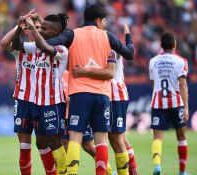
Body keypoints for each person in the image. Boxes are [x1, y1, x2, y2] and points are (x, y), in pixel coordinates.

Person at [34, 3, 134, 175]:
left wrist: (35, 30)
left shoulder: (72, 34)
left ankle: (71, 173)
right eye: (103, 20)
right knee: (101, 140)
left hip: (79, 95)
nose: (104, 23)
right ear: (98, 20)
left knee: (74, 137)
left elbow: (46, 44)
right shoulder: (108, 37)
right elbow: (129, 53)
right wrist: (128, 36)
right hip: (102, 96)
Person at [0, 10, 57, 175]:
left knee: (43, 145)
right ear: (26, 30)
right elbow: (4, 43)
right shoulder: (21, 49)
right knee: (24, 146)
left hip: (42, 102)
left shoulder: (48, 48)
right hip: (23, 101)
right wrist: (19, 25)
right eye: (33, 27)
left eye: (39, 28)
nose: (36, 30)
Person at [13, 13, 69, 175]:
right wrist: (19, 28)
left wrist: (33, 27)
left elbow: (45, 47)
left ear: (56, 32)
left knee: (55, 142)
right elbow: (17, 45)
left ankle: (64, 173)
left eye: (45, 28)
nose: (42, 30)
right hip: (37, 103)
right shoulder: (36, 47)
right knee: (40, 142)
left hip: (53, 103)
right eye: (41, 28)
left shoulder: (61, 49)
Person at [62, 70, 117, 175]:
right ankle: (68, 172)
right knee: (62, 142)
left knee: (88, 145)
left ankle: (109, 171)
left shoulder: (75, 71)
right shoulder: (58, 70)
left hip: (77, 109)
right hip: (62, 111)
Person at [149, 32, 189, 175]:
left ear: (161, 45)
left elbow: (153, 83)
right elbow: (183, 84)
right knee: (182, 137)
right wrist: (186, 107)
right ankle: (182, 172)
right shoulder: (181, 61)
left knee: (157, 138)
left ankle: (157, 166)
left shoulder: (153, 61)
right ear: (174, 45)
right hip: (176, 103)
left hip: (158, 104)